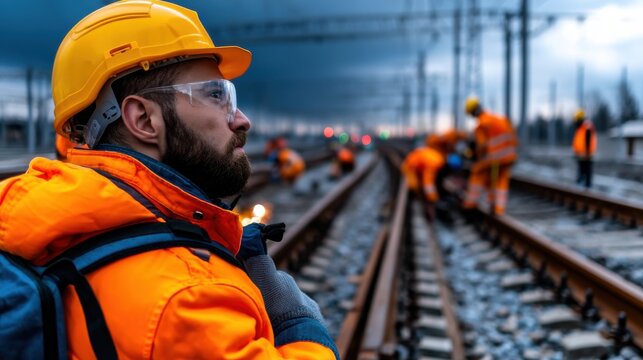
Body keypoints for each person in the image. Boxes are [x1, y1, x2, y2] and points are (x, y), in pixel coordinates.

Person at [0, 1, 338, 359]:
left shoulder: (39, 223)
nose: (241, 120)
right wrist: (299, 324)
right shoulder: (186, 298)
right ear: (144, 119)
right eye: (216, 95)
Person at [462, 96, 517, 215]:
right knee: (501, 180)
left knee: (478, 172)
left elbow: (482, 146)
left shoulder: (482, 124)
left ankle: (470, 204)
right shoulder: (498, 118)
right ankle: (498, 209)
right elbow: (512, 137)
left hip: (495, 158)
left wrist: (475, 155)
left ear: (472, 113)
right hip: (509, 156)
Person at [401, 135, 446, 219]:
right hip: (409, 167)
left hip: (417, 166)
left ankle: (421, 198)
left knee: (420, 185)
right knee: (414, 185)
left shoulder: (438, 158)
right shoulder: (434, 164)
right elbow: (428, 183)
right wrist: (433, 198)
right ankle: (416, 199)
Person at [572, 109, 597, 189]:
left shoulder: (587, 127)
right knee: (581, 169)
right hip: (580, 154)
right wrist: (576, 151)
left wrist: (587, 153)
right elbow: (578, 141)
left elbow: (588, 141)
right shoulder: (580, 128)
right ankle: (580, 184)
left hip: (586, 154)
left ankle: (587, 186)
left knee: (586, 170)